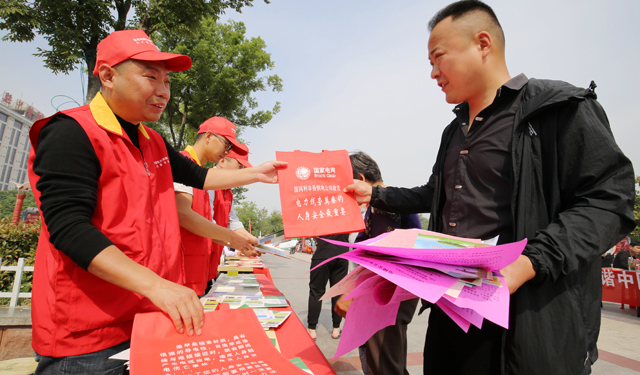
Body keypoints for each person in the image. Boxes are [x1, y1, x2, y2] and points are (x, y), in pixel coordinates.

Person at [344, 1, 635, 374]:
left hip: (527, 317)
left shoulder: (557, 109)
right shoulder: (454, 132)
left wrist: (529, 263)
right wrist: (376, 195)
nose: (433, 73)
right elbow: (434, 192)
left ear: (483, 44)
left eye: (438, 58)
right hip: (452, 312)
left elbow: (609, 200)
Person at [27, 29, 285, 374]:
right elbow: (69, 228)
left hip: (149, 314)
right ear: (107, 76)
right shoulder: (70, 132)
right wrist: (158, 286)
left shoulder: (153, 140)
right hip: (90, 331)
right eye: (151, 77)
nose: (163, 91)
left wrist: (257, 174)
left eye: (167, 82)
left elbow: (201, 178)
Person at [337, 151, 422, 375]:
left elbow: (382, 259)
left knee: (384, 363)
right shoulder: (384, 203)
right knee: (385, 359)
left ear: (361, 180)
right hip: (392, 292)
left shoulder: (386, 205)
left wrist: (353, 295)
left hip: (388, 293)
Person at [174, 117, 259, 295]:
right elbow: (183, 214)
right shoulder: (184, 165)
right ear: (209, 136)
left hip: (197, 268)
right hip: (180, 271)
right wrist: (232, 239)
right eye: (226, 145)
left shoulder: (200, 174)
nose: (226, 152)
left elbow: (210, 225)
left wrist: (241, 242)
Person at [207, 146, 258, 289]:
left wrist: (251, 239)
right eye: (239, 166)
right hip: (199, 254)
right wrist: (237, 242)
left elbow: (232, 221)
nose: (241, 173)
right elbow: (207, 222)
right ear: (222, 161)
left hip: (213, 257)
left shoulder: (227, 192)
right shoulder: (208, 184)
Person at [307, 233, 350, 340]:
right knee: (337, 292)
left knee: (316, 292)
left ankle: (312, 329)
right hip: (341, 255)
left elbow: (312, 232)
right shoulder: (346, 216)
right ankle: (336, 328)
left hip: (323, 254)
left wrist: (319, 239)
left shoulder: (320, 216)